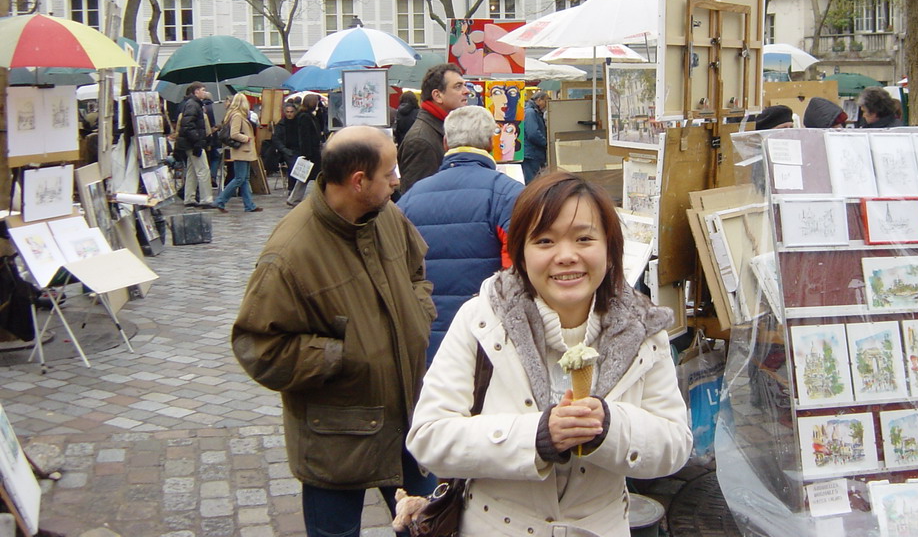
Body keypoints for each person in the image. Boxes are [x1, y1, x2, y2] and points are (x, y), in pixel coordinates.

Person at [405, 172, 692, 537]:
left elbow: (675, 445)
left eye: (584, 238)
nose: (566, 256)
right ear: (521, 252)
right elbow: (428, 438)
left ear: (610, 247)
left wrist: (609, 427)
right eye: (544, 240)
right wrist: (537, 437)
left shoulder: (643, 328)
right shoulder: (481, 319)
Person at [232, 126, 437, 537]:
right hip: (337, 435)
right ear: (359, 181)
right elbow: (259, 346)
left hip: (408, 418)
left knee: (431, 527)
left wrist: (419, 309)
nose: (398, 180)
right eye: (389, 172)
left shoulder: (387, 216)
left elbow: (417, 270)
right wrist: (341, 355)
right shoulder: (289, 253)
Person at [398, 105, 525, 363]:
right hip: (487, 336)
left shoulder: (410, 198)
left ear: (445, 143)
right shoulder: (508, 195)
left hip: (425, 335)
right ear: (492, 143)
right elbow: (519, 273)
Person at [398, 63, 469, 194]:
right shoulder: (420, 141)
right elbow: (416, 199)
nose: (466, 91)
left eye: (464, 85)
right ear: (437, 95)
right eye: (458, 86)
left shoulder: (441, 128)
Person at [213, 93, 263, 214]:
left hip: (244, 150)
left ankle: (249, 205)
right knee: (239, 178)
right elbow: (234, 134)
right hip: (242, 150)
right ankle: (220, 200)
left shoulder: (238, 115)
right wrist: (246, 138)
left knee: (244, 179)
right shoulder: (237, 116)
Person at [172, 82, 215, 207]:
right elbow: (188, 125)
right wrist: (197, 140)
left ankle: (189, 197)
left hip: (189, 143)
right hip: (193, 143)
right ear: (196, 91)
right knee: (203, 170)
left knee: (192, 170)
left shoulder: (192, 104)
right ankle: (206, 199)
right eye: (203, 90)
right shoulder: (193, 105)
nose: (205, 92)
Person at [287, 94, 325, 206]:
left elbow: (320, 126)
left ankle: (294, 198)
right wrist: (306, 153)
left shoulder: (311, 116)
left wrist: (320, 112)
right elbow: (305, 136)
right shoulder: (304, 117)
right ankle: (295, 198)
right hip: (311, 152)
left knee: (306, 176)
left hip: (314, 151)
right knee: (308, 176)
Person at [271, 102, 302, 191]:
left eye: (291, 112)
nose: (289, 114)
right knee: (293, 165)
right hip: (287, 151)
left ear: (295, 112)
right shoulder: (281, 124)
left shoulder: (299, 123)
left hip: (299, 149)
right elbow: (276, 139)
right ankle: (292, 189)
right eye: (287, 112)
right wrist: (284, 150)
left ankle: (297, 190)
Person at [522, 90, 549, 183]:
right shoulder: (531, 112)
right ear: (539, 100)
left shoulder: (532, 111)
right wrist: (545, 143)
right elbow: (533, 133)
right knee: (532, 182)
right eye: (546, 101)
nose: (546, 105)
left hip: (532, 153)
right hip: (531, 153)